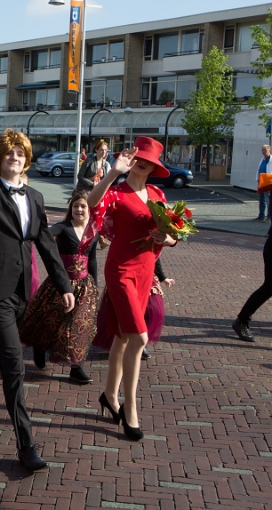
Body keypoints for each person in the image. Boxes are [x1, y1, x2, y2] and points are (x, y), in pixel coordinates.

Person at [0, 129, 75, 471]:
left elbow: (46, 245)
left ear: (27, 159)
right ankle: (27, 446)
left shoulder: (35, 196)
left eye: (20, 153)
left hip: (23, 290)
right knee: (13, 365)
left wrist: (64, 285)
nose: (15, 158)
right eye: (9, 153)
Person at [82, 136, 177, 442]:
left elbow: (173, 234)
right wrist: (113, 172)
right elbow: (93, 202)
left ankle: (110, 395)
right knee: (139, 336)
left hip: (146, 271)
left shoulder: (156, 194)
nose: (142, 164)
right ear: (132, 160)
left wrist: (168, 240)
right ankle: (130, 407)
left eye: (148, 161)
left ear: (154, 167)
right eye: (139, 158)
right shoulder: (118, 193)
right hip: (121, 271)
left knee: (123, 339)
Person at [19, 190, 98, 384]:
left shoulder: (94, 230)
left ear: (90, 210)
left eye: (83, 206)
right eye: (75, 206)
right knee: (49, 319)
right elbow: (44, 236)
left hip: (84, 286)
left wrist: (94, 284)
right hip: (61, 284)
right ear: (71, 208)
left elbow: (92, 260)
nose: (79, 209)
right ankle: (39, 346)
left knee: (79, 325)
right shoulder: (63, 227)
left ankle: (76, 367)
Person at [257, 145, 272, 222]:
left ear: (269, 150)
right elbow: (258, 169)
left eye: (265, 150)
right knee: (261, 199)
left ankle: (269, 217)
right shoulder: (262, 159)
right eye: (262, 150)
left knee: (268, 200)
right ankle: (261, 216)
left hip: (268, 182)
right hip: (261, 182)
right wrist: (257, 179)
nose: (263, 152)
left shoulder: (271, 160)